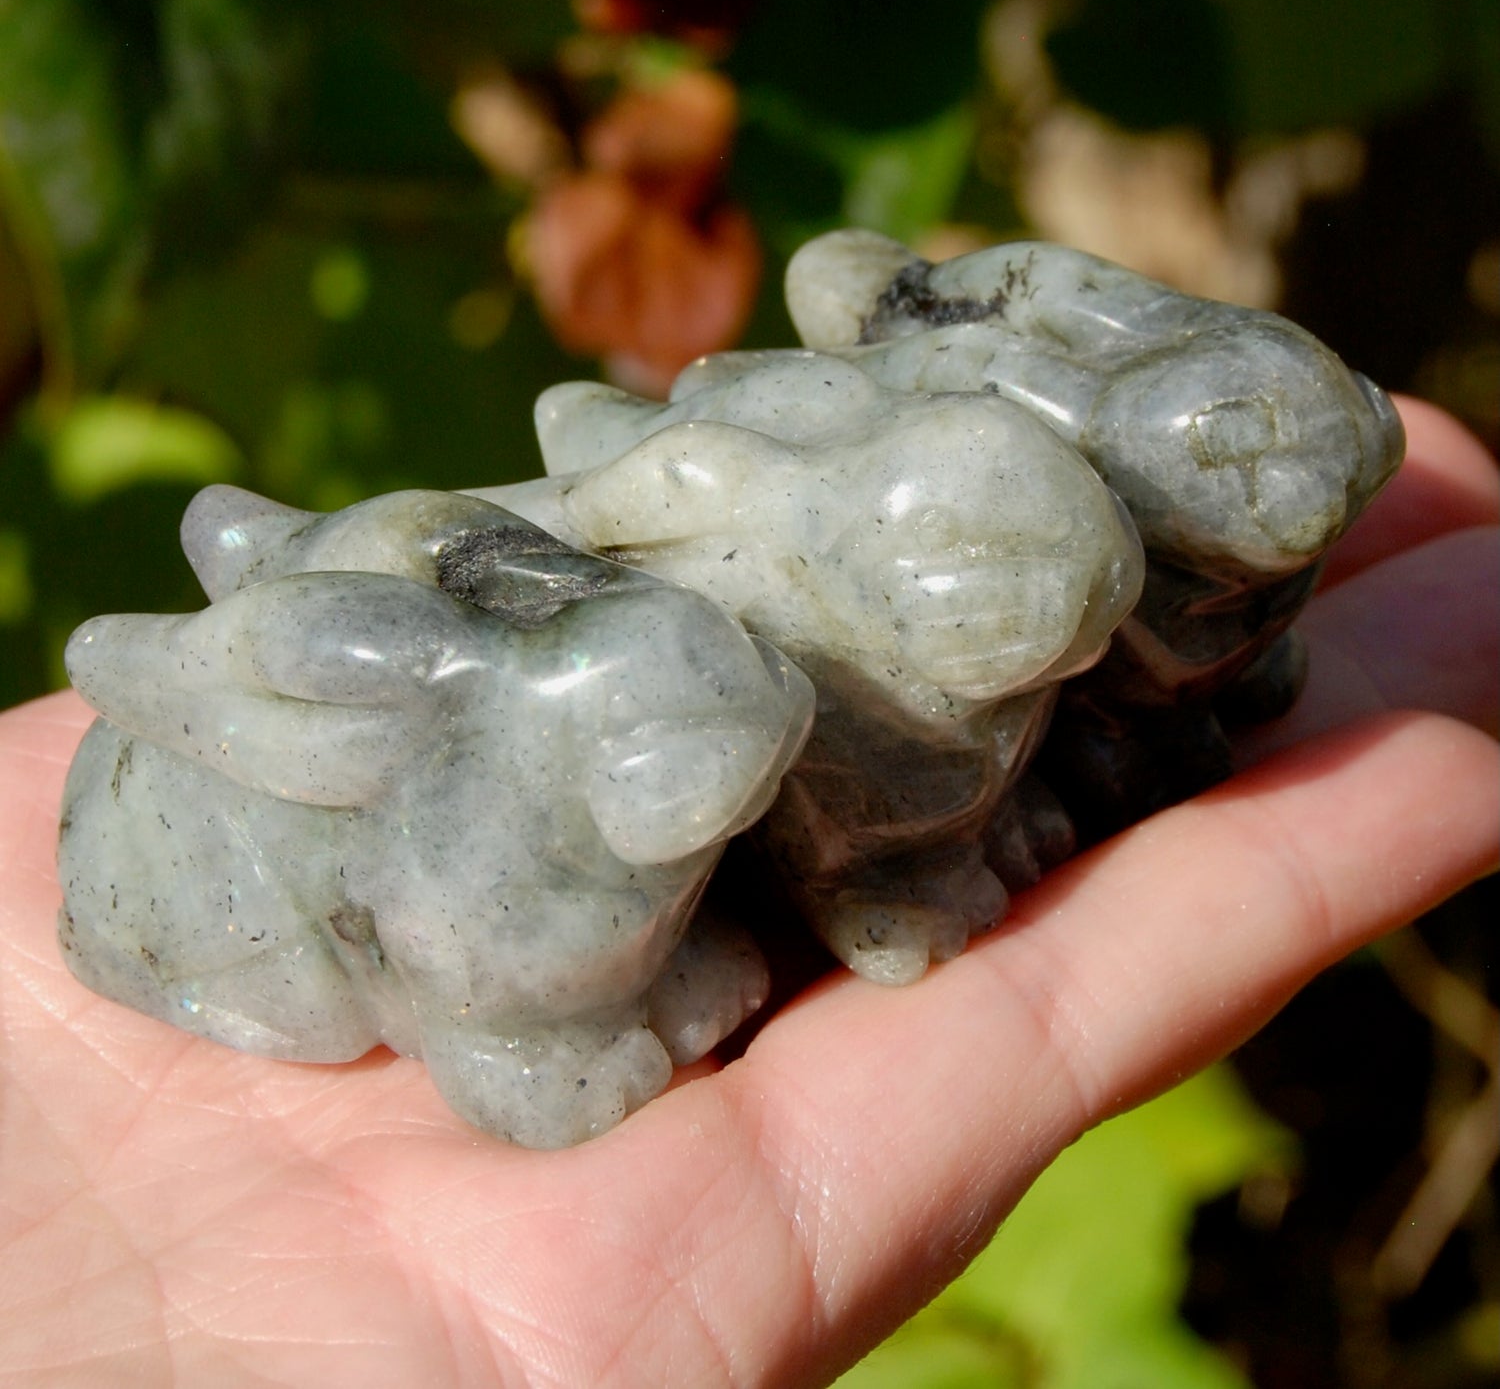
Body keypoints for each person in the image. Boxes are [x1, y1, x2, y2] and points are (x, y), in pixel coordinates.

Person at [0, 395, 1495, 1388]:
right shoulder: (485, 852)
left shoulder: (683, 738)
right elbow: (457, 946)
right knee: (465, 980)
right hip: (259, 904)